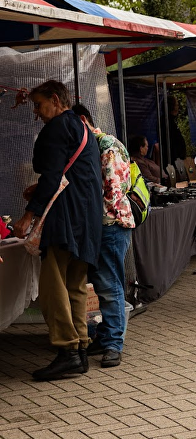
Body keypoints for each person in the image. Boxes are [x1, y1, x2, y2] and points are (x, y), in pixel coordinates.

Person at [12, 80, 102, 381]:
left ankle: (67, 351)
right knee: (75, 284)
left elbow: (51, 176)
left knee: (52, 287)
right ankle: (81, 347)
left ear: (55, 99)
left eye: (39, 105)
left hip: (64, 218)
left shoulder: (56, 128)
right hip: (87, 219)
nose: (36, 112)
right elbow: (72, 173)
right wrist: (42, 188)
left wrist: (28, 216)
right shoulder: (83, 127)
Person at [71, 105, 134, 368]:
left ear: (82, 120)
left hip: (110, 225)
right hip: (101, 226)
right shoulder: (94, 145)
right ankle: (107, 336)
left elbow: (113, 192)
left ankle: (113, 344)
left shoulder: (106, 145)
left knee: (109, 286)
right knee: (103, 283)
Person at [159, 94, 187, 164]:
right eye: (176, 105)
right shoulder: (166, 121)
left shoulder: (171, 120)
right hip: (172, 160)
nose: (178, 107)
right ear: (171, 106)